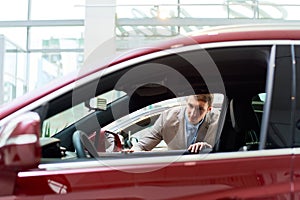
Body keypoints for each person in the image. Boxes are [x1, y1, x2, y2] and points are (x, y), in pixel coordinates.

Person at [130, 94, 220, 153]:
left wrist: (208, 148)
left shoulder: (218, 120)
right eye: (191, 106)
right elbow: (141, 146)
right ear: (186, 103)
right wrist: (132, 153)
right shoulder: (167, 118)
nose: (193, 114)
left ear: (209, 109)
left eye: (200, 109)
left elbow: (227, 151)